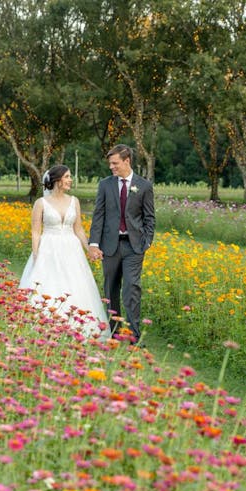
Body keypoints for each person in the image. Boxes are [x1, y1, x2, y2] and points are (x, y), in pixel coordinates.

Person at [19, 165, 110, 337]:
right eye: (67, 176)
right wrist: (37, 254)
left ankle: (79, 327)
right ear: (57, 180)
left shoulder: (74, 201)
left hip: (72, 249)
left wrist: (89, 248)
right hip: (49, 249)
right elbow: (36, 231)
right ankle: (46, 325)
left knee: (75, 285)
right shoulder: (41, 203)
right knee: (50, 283)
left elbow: (79, 229)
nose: (70, 180)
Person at [88, 144, 155, 344]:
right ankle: (114, 333)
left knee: (132, 289)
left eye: (115, 163)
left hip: (134, 247)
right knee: (111, 289)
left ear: (127, 161)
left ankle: (134, 336)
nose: (112, 167)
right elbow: (98, 215)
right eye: (110, 163)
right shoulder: (105, 185)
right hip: (109, 246)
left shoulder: (144, 186)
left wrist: (147, 241)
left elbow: (149, 218)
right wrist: (93, 243)